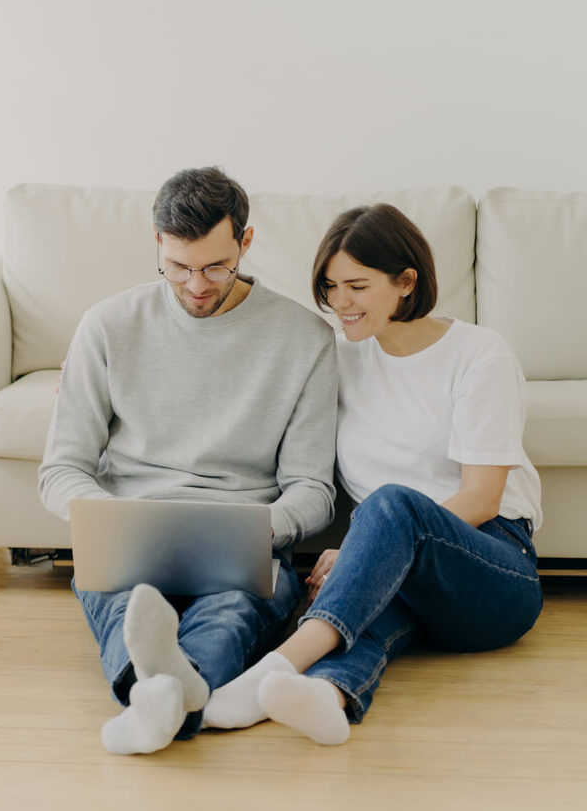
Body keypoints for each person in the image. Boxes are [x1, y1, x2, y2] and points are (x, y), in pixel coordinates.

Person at [202, 203, 543, 745]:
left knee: (389, 504)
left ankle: (274, 668)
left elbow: (481, 497)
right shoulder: (337, 357)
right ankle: (327, 697)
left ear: (406, 281)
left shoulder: (479, 353)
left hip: (494, 569)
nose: (340, 303)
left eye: (357, 286)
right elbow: (245, 388)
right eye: (331, 286)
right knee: (369, 609)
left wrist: (369, 542)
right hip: (402, 574)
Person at [37, 167, 338, 755]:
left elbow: (312, 487)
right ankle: (168, 698)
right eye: (178, 266)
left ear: (245, 244)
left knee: (232, 613)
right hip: (129, 530)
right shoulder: (107, 325)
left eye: (214, 266)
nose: (196, 284)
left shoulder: (305, 339)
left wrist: (263, 528)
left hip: (243, 541)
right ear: (157, 243)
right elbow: (61, 468)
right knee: (124, 604)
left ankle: (151, 702)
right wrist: (109, 520)